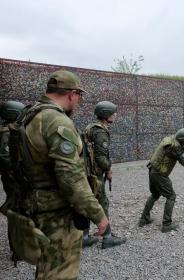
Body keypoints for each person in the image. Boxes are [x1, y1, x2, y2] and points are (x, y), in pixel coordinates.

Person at [8, 70, 109, 279]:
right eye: (79, 96)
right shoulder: (57, 121)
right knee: (60, 271)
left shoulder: (28, 114)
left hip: (33, 203)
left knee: (47, 267)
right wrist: (97, 214)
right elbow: (70, 177)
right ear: (72, 94)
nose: (79, 102)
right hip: (57, 212)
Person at [82, 101, 126, 249]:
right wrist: (108, 169)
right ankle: (107, 238)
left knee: (88, 202)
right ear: (107, 115)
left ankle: (85, 236)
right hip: (94, 174)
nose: (115, 115)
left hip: (87, 172)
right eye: (113, 113)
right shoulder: (100, 131)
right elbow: (101, 157)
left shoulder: (91, 127)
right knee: (102, 202)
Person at [139, 127, 184, 233]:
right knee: (171, 196)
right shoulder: (175, 147)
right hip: (159, 174)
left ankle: (144, 219)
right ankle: (166, 224)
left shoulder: (171, 140)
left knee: (155, 195)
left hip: (152, 170)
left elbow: (179, 150)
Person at [0, 100, 25, 261]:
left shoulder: (9, 130)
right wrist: (17, 173)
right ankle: (17, 250)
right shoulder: (6, 133)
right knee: (15, 212)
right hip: (12, 180)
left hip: (13, 178)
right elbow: (5, 157)